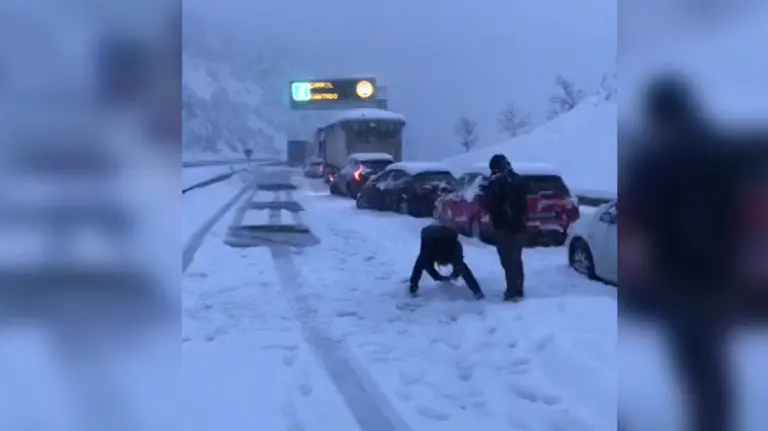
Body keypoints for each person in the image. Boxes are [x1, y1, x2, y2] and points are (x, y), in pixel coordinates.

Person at [477, 154, 530, 301]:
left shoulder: (498, 181)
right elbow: (525, 194)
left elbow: (490, 203)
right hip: (518, 225)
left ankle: (512, 292)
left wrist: (485, 193)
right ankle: (518, 289)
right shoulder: (516, 178)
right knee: (516, 259)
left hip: (504, 226)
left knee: (508, 260)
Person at [409, 224, 484, 300]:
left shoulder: (454, 249)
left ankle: (477, 292)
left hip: (440, 236)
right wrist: (439, 277)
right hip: (429, 235)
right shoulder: (430, 248)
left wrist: (413, 285)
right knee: (424, 261)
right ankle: (477, 292)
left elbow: (420, 265)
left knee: (424, 261)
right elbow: (422, 265)